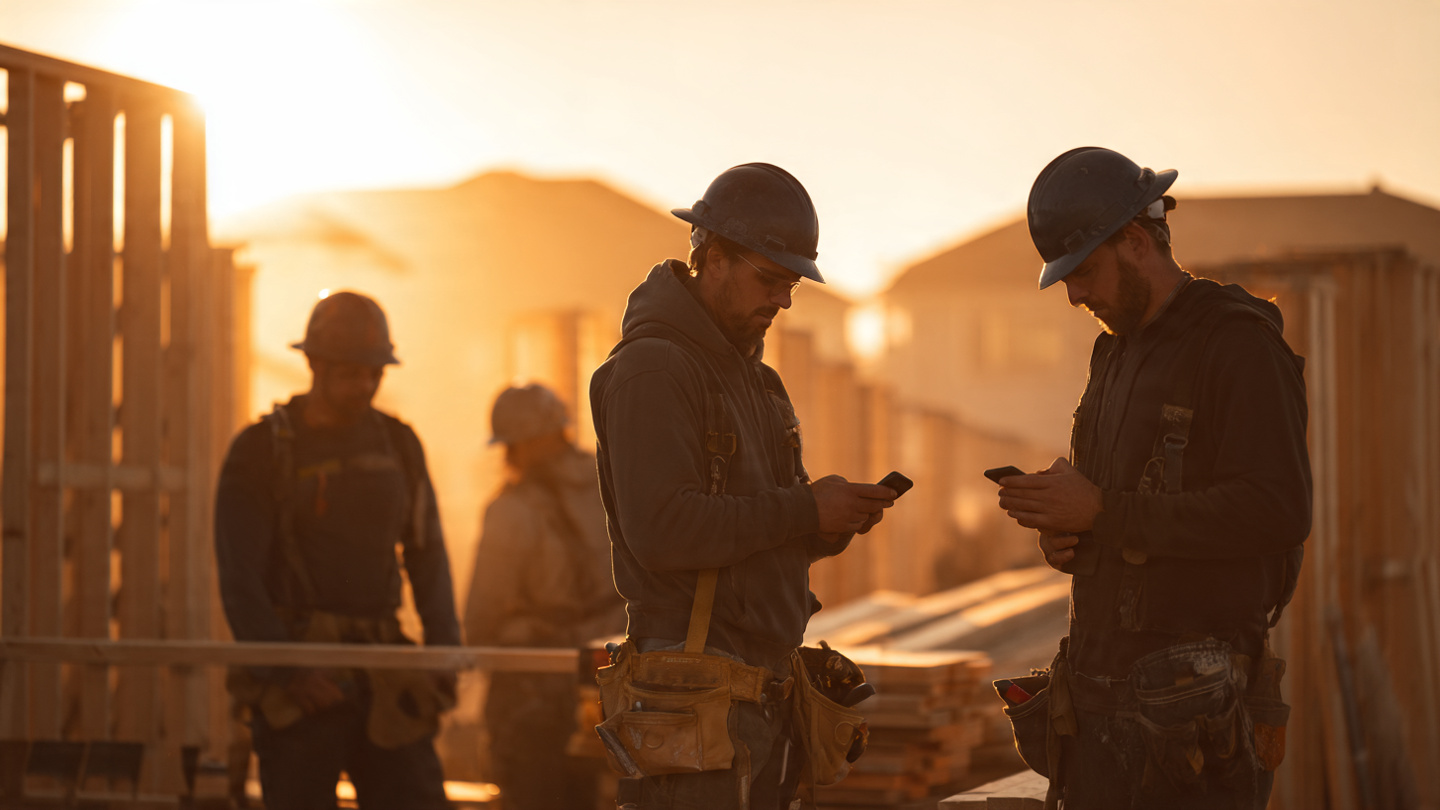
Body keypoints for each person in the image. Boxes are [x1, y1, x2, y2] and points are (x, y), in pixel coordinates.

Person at [994, 147, 1311, 809]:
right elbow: (1118, 508)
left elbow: (1277, 509)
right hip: (1103, 712)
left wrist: (1103, 512)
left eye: (1083, 272)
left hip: (1196, 729)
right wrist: (1067, 535)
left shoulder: (1237, 344)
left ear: (1136, 242)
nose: (1075, 294)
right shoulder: (1113, 351)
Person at [589, 163, 899, 810]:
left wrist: (826, 526)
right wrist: (806, 508)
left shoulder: (759, 386)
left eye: (791, 285)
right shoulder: (653, 370)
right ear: (713, 257)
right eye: (769, 279)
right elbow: (666, 532)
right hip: (694, 709)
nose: (783, 301)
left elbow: (762, 532)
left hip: (762, 705)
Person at [215, 291, 460, 810]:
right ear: (314, 364)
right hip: (302, 679)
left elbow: (427, 552)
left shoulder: (397, 444)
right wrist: (288, 671)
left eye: (374, 373)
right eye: (351, 372)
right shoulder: (262, 450)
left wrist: (444, 650)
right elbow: (241, 578)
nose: (364, 386)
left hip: (384, 670)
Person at [464, 383, 626, 810]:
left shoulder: (510, 510)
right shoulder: (612, 488)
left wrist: (480, 652)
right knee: (589, 792)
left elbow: (482, 611)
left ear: (521, 444)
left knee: (527, 792)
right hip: (602, 682)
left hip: (529, 689)